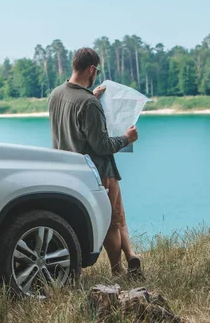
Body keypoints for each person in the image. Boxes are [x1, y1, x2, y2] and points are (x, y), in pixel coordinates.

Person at [48, 47, 142, 277]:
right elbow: (102, 146)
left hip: (68, 170)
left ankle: (127, 259)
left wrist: (93, 97)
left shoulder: (56, 94)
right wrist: (126, 138)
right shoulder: (89, 103)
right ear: (91, 69)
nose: (95, 76)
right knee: (113, 222)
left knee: (109, 218)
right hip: (98, 173)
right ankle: (117, 272)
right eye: (96, 71)